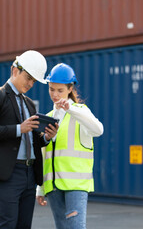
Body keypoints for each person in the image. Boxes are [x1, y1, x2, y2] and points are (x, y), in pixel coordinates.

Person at [0, 50, 58, 229]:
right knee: (8, 225)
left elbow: (32, 139)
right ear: (15, 70)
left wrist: (46, 137)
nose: (31, 84)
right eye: (28, 78)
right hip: (8, 173)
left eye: (34, 81)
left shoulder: (30, 104)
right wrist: (18, 129)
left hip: (29, 174)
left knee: (24, 226)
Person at [36, 63, 104, 229]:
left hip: (76, 185)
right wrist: (41, 188)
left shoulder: (81, 112)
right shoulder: (49, 117)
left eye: (60, 90)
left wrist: (71, 109)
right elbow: (44, 154)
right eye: (52, 89)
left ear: (70, 88)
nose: (55, 94)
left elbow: (98, 130)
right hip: (53, 186)